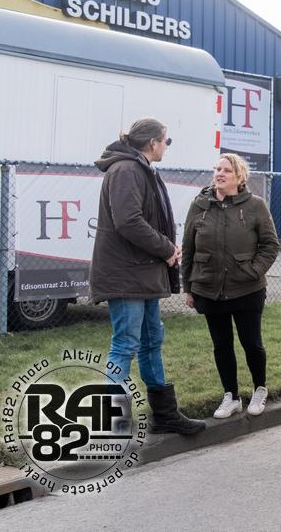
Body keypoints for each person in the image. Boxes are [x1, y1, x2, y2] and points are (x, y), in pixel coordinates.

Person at [90, 118, 205, 435]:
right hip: (126, 275)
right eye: (167, 141)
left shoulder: (139, 169)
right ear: (152, 142)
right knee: (125, 345)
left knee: (152, 341)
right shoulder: (126, 170)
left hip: (142, 274)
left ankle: (165, 415)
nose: (167, 146)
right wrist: (166, 249)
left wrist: (165, 250)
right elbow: (128, 221)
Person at [182, 153, 280, 418]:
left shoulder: (255, 206)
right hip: (209, 289)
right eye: (217, 169)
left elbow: (270, 245)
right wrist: (188, 287)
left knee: (252, 343)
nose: (219, 174)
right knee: (221, 345)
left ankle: (259, 389)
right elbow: (188, 248)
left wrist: (253, 271)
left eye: (226, 170)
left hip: (247, 289)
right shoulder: (199, 205)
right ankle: (231, 396)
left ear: (239, 176)